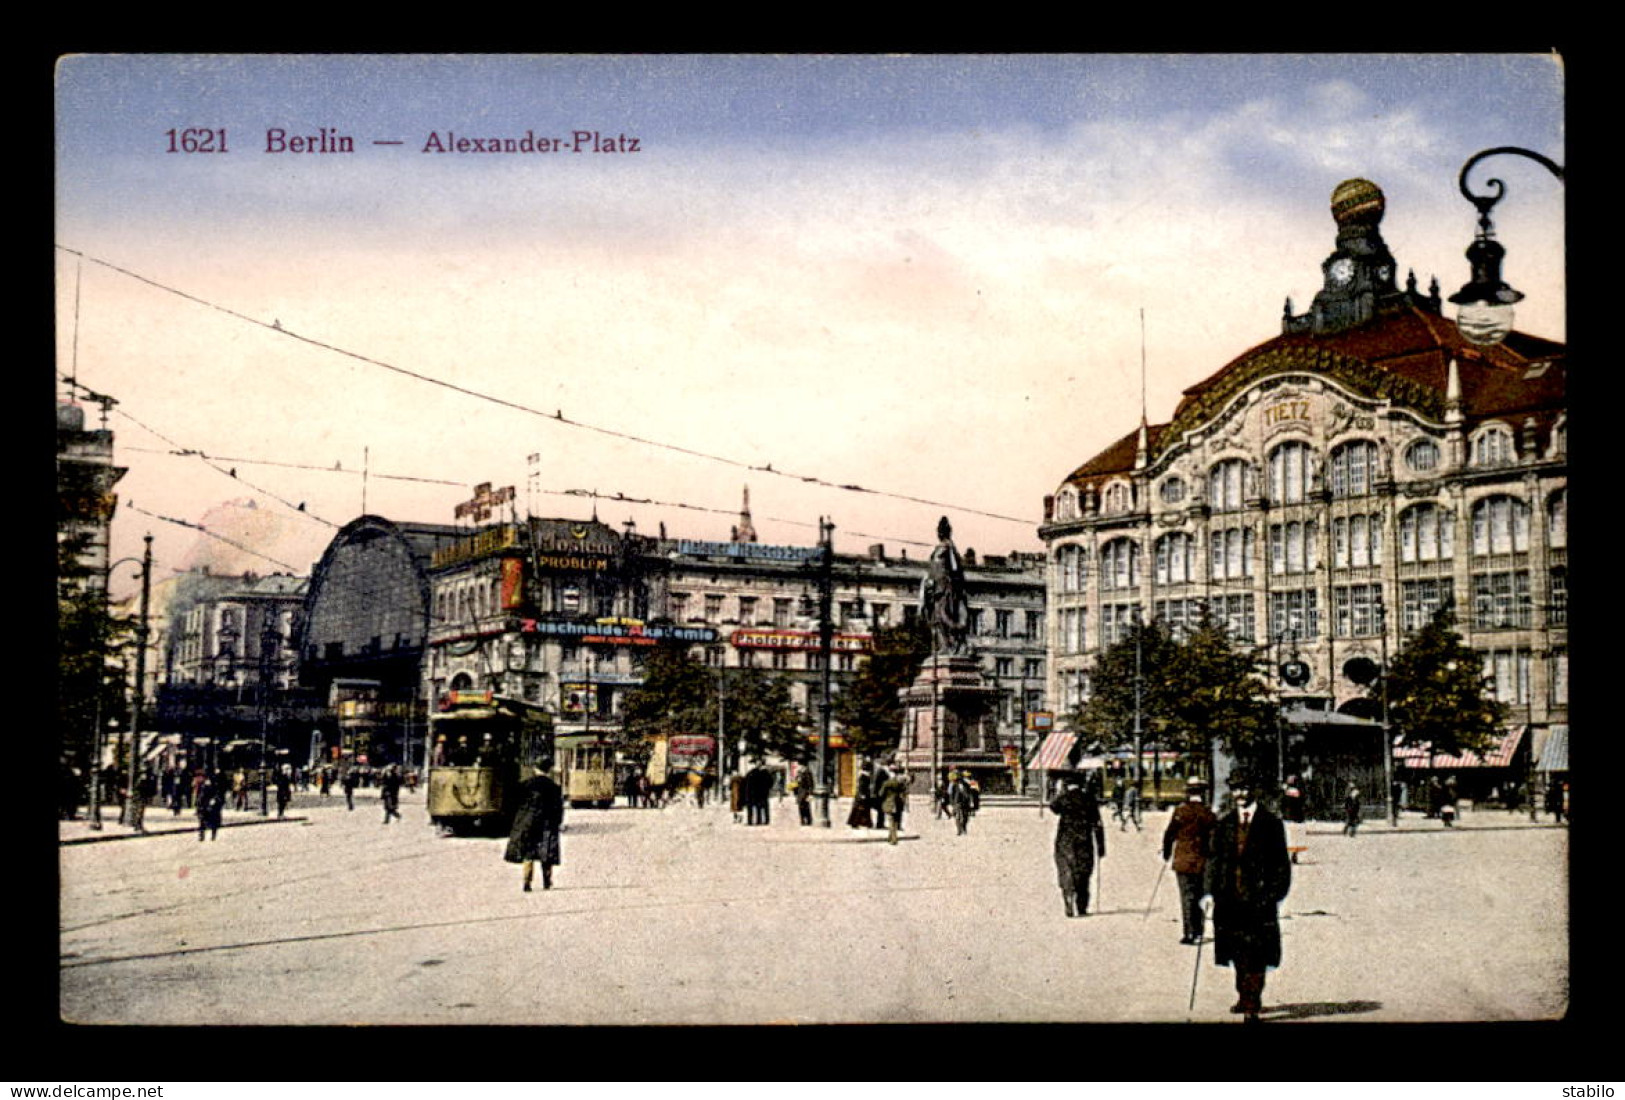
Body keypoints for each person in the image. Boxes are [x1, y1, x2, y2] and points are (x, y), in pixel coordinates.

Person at [1203, 770, 1291, 1024]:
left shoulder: (1270, 823)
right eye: (1235, 788)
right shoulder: (1225, 822)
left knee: (1257, 953)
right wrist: (1209, 891)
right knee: (1237, 952)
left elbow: (1281, 864)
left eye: (1244, 788)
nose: (1240, 794)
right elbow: (1214, 860)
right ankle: (1244, 995)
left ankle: (1253, 1002)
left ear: (1254, 789)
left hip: (1258, 901)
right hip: (1229, 900)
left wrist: (1274, 894)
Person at [1162, 777, 1217, 944]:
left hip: (1182, 860)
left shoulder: (1180, 812)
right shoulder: (1208, 814)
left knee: (1186, 896)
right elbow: (1214, 840)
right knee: (1200, 895)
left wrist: (1166, 852)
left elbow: (1169, 834)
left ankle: (1188, 933)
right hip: (1201, 860)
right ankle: (1198, 932)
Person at [1049, 774, 1106, 917]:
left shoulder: (1064, 798)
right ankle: (1082, 907)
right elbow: (1097, 824)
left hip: (1065, 841)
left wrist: (1061, 792)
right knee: (1083, 873)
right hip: (1084, 841)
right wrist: (1101, 846)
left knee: (1066, 869)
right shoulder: (1089, 799)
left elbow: (1053, 807)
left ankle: (1068, 897)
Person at [505, 765, 565, 892]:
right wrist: (558, 822)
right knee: (546, 853)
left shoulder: (526, 785)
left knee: (528, 853)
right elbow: (558, 808)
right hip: (547, 823)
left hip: (528, 823)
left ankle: (527, 881)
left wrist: (517, 821)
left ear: (535, 769)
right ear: (548, 770)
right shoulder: (554, 787)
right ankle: (547, 882)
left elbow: (514, 804)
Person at [879, 766, 911, 845]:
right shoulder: (900, 783)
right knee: (896, 821)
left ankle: (894, 839)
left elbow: (881, 793)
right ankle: (890, 837)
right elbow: (905, 791)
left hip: (889, 803)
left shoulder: (887, 783)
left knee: (891, 821)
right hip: (898, 803)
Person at [196, 771, 226, 842]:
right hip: (204, 804)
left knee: (213, 821)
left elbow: (217, 794)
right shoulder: (203, 785)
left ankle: (213, 835)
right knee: (202, 821)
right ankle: (201, 835)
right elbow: (200, 795)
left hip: (212, 805)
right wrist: (199, 804)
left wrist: (214, 800)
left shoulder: (215, 785)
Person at [847, 761, 875, 829]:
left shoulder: (864, 775)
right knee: (860, 810)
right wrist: (863, 795)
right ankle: (855, 823)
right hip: (862, 795)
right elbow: (862, 786)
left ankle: (865, 823)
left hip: (863, 795)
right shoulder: (864, 776)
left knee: (863, 810)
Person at [949, 770, 977, 836]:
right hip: (957, 803)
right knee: (958, 817)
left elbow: (971, 793)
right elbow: (951, 794)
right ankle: (959, 830)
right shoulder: (953, 785)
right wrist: (952, 803)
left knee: (965, 817)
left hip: (965, 803)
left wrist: (971, 801)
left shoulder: (967, 784)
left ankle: (964, 828)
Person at [793, 762, 814, 826]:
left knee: (806, 806)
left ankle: (808, 820)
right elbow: (795, 783)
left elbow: (810, 783)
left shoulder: (807, 772)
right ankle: (802, 820)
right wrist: (795, 792)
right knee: (800, 806)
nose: (798, 767)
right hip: (799, 792)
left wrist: (810, 793)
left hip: (805, 792)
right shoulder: (798, 773)